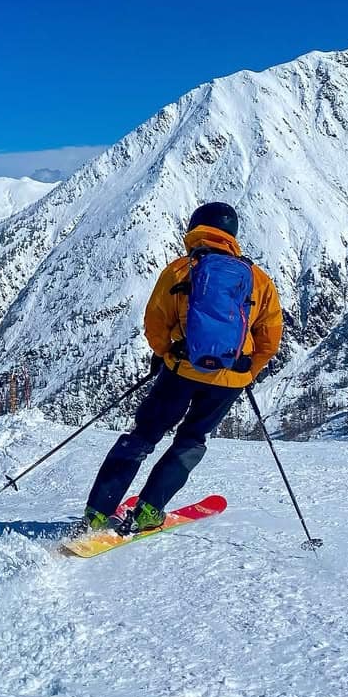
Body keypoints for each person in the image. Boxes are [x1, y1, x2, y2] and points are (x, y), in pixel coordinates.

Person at [73, 201, 283, 537]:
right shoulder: (258, 280)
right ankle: (149, 510)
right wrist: (246, 371)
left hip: (181, 371)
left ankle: (98, 513)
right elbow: (270, 339)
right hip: (229, 379)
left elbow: (155, 323)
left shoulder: (180, 270)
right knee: (192, 439)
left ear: (195, 230)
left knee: (143, 436)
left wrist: (165, 354)